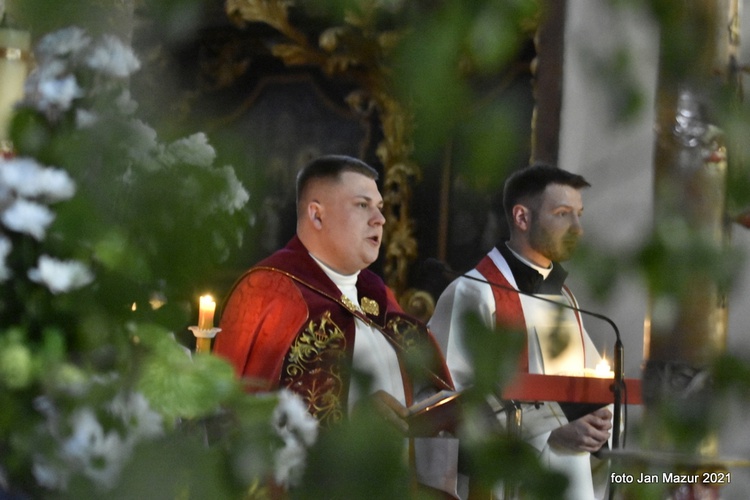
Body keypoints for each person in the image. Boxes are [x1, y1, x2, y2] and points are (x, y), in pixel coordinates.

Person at [212, 154, 457, 495]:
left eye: (380, 206)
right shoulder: (268, 291)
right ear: (316, 214)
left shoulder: (377, 296)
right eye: (362, 205)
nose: (380, 219)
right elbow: (238, 417)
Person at [428, 163, 613, 500]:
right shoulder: (474, 292)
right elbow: (446, 406)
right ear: (522, 218)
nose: (577, 228)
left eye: (579, 215)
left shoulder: (563, 296)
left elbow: (583, 386)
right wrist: (549, 432)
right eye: (562, 214)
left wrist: (597, 424)